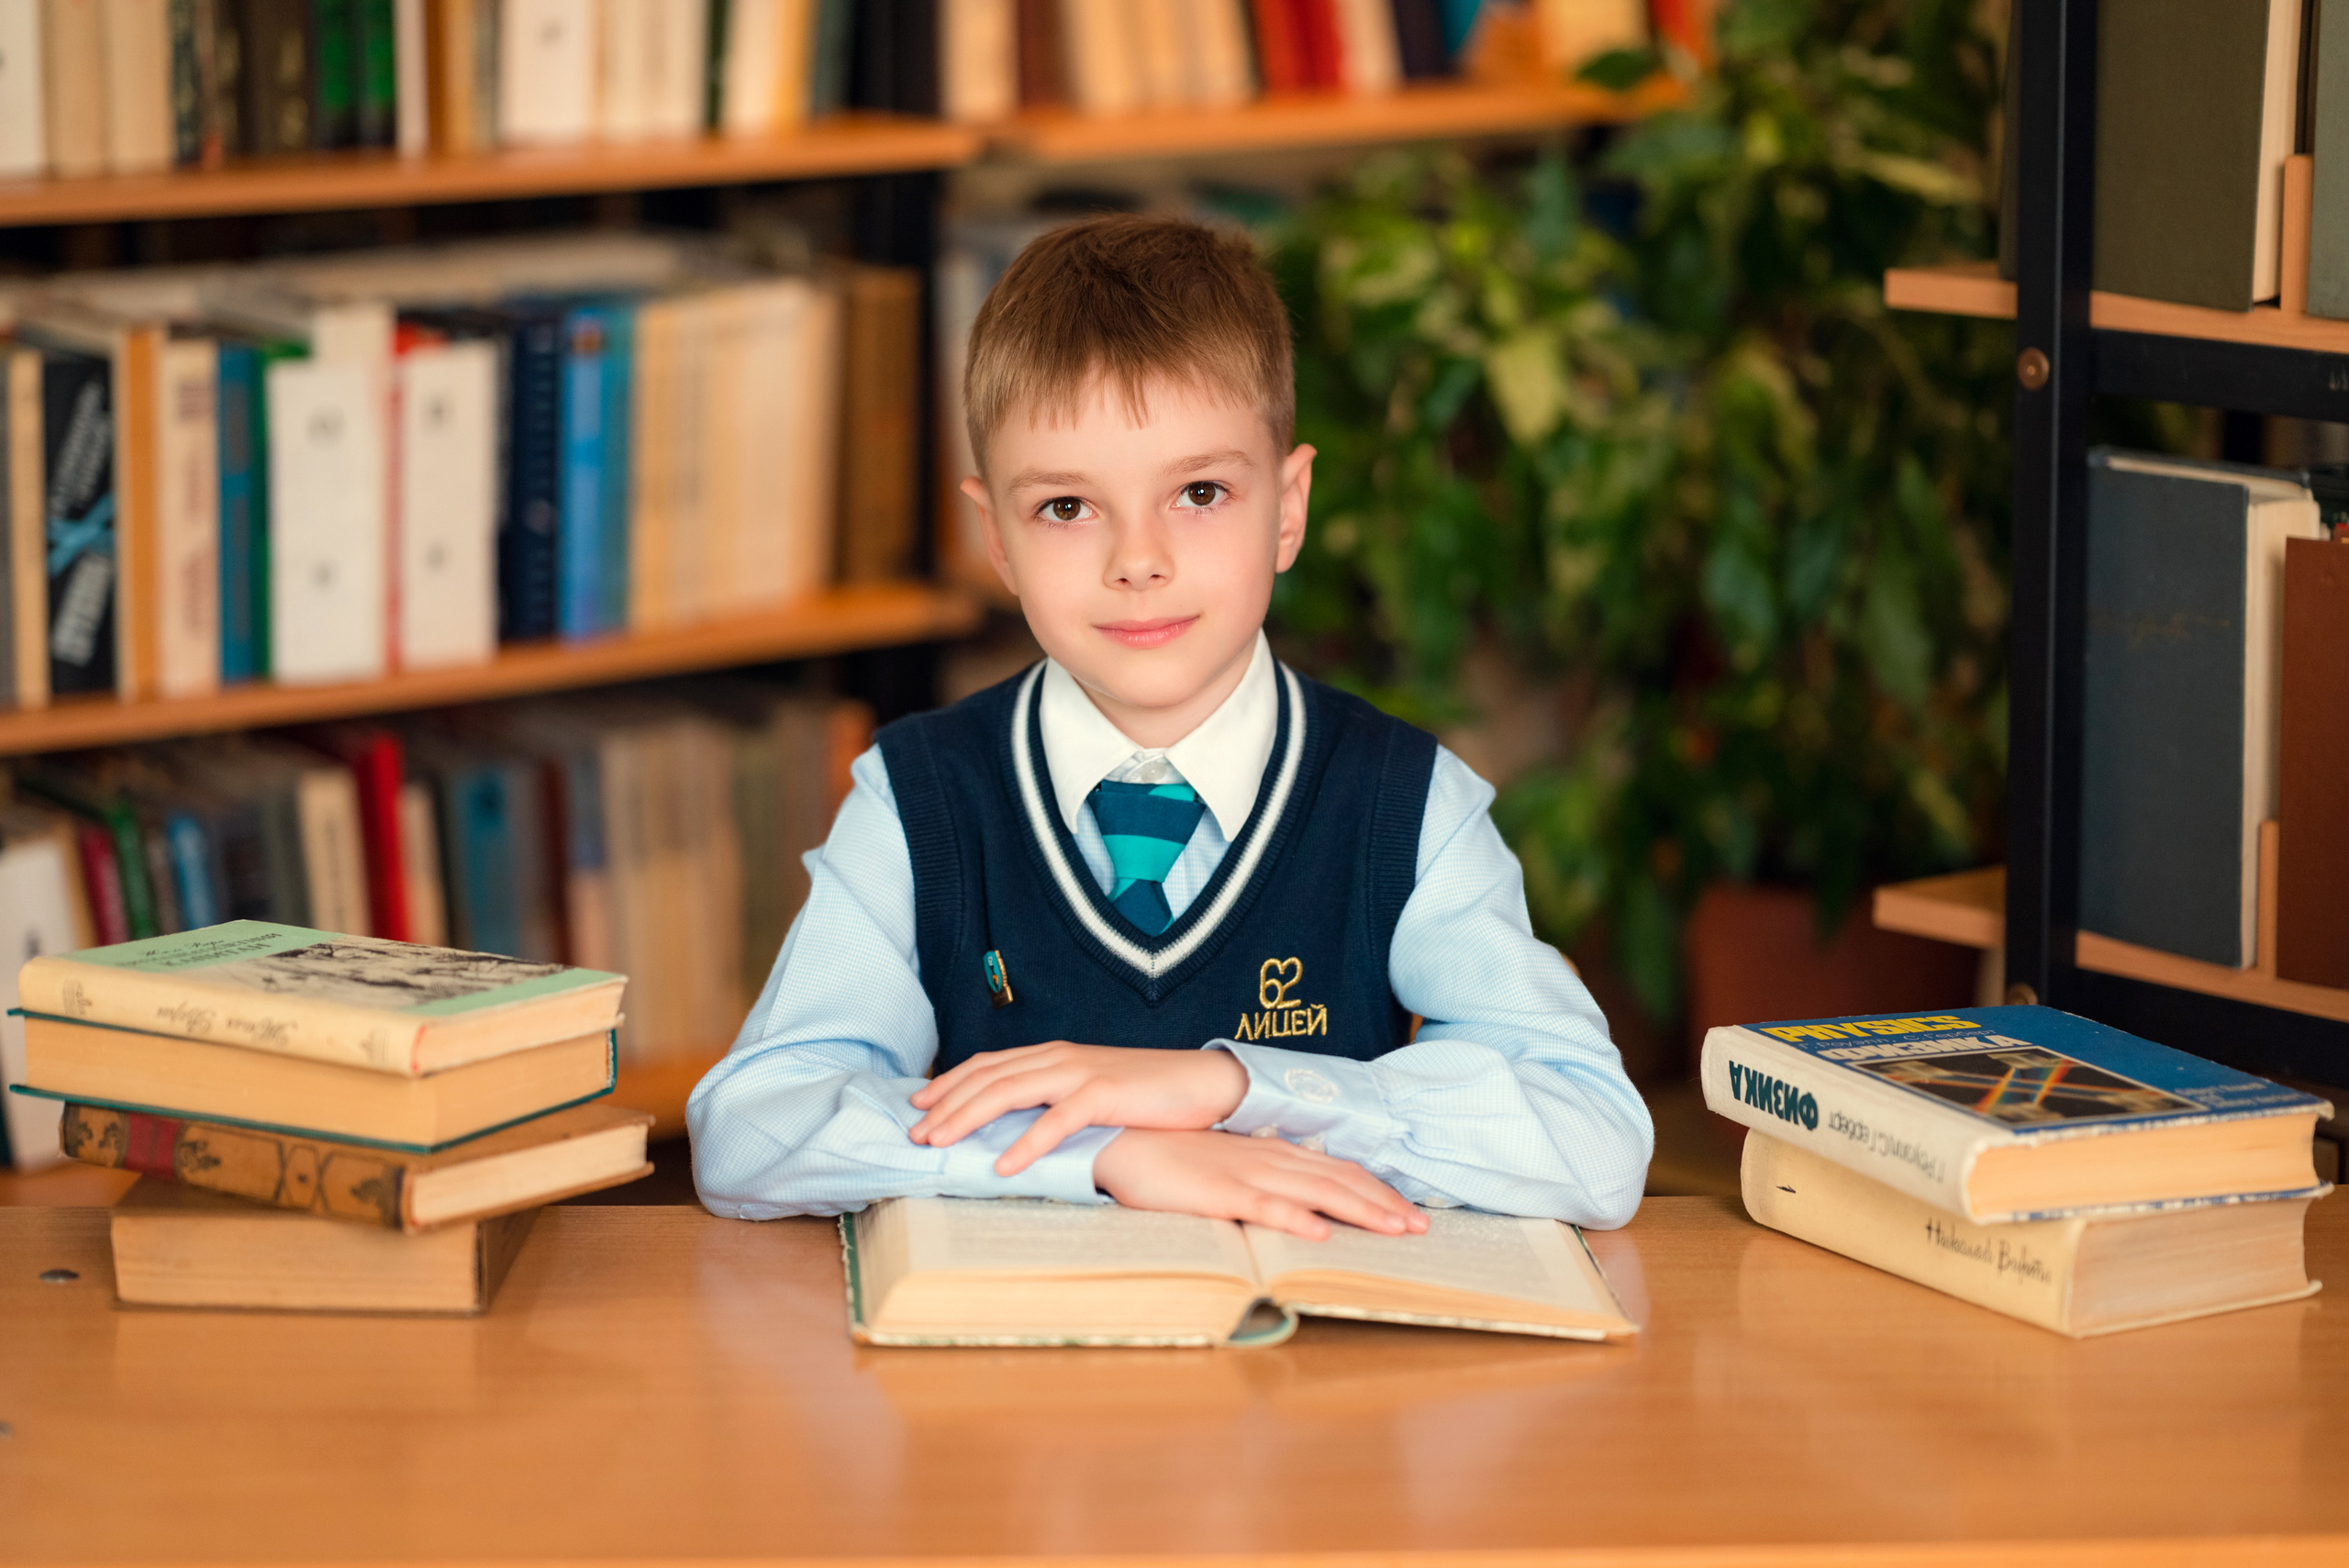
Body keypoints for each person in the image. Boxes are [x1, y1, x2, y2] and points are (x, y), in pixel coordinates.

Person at [688, 215, 1652, 1240]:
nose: (1137, 560)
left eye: (1198, 492)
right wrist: (1101, 1151)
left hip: (1317, 1333)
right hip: (1022, 1337)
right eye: (1067, 507)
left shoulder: (1405, 805)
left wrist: (1231, 1088)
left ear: (1288, 508)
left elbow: (1595, 1136)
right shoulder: (919, 799)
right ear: (995, 536)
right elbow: (752, 1127)